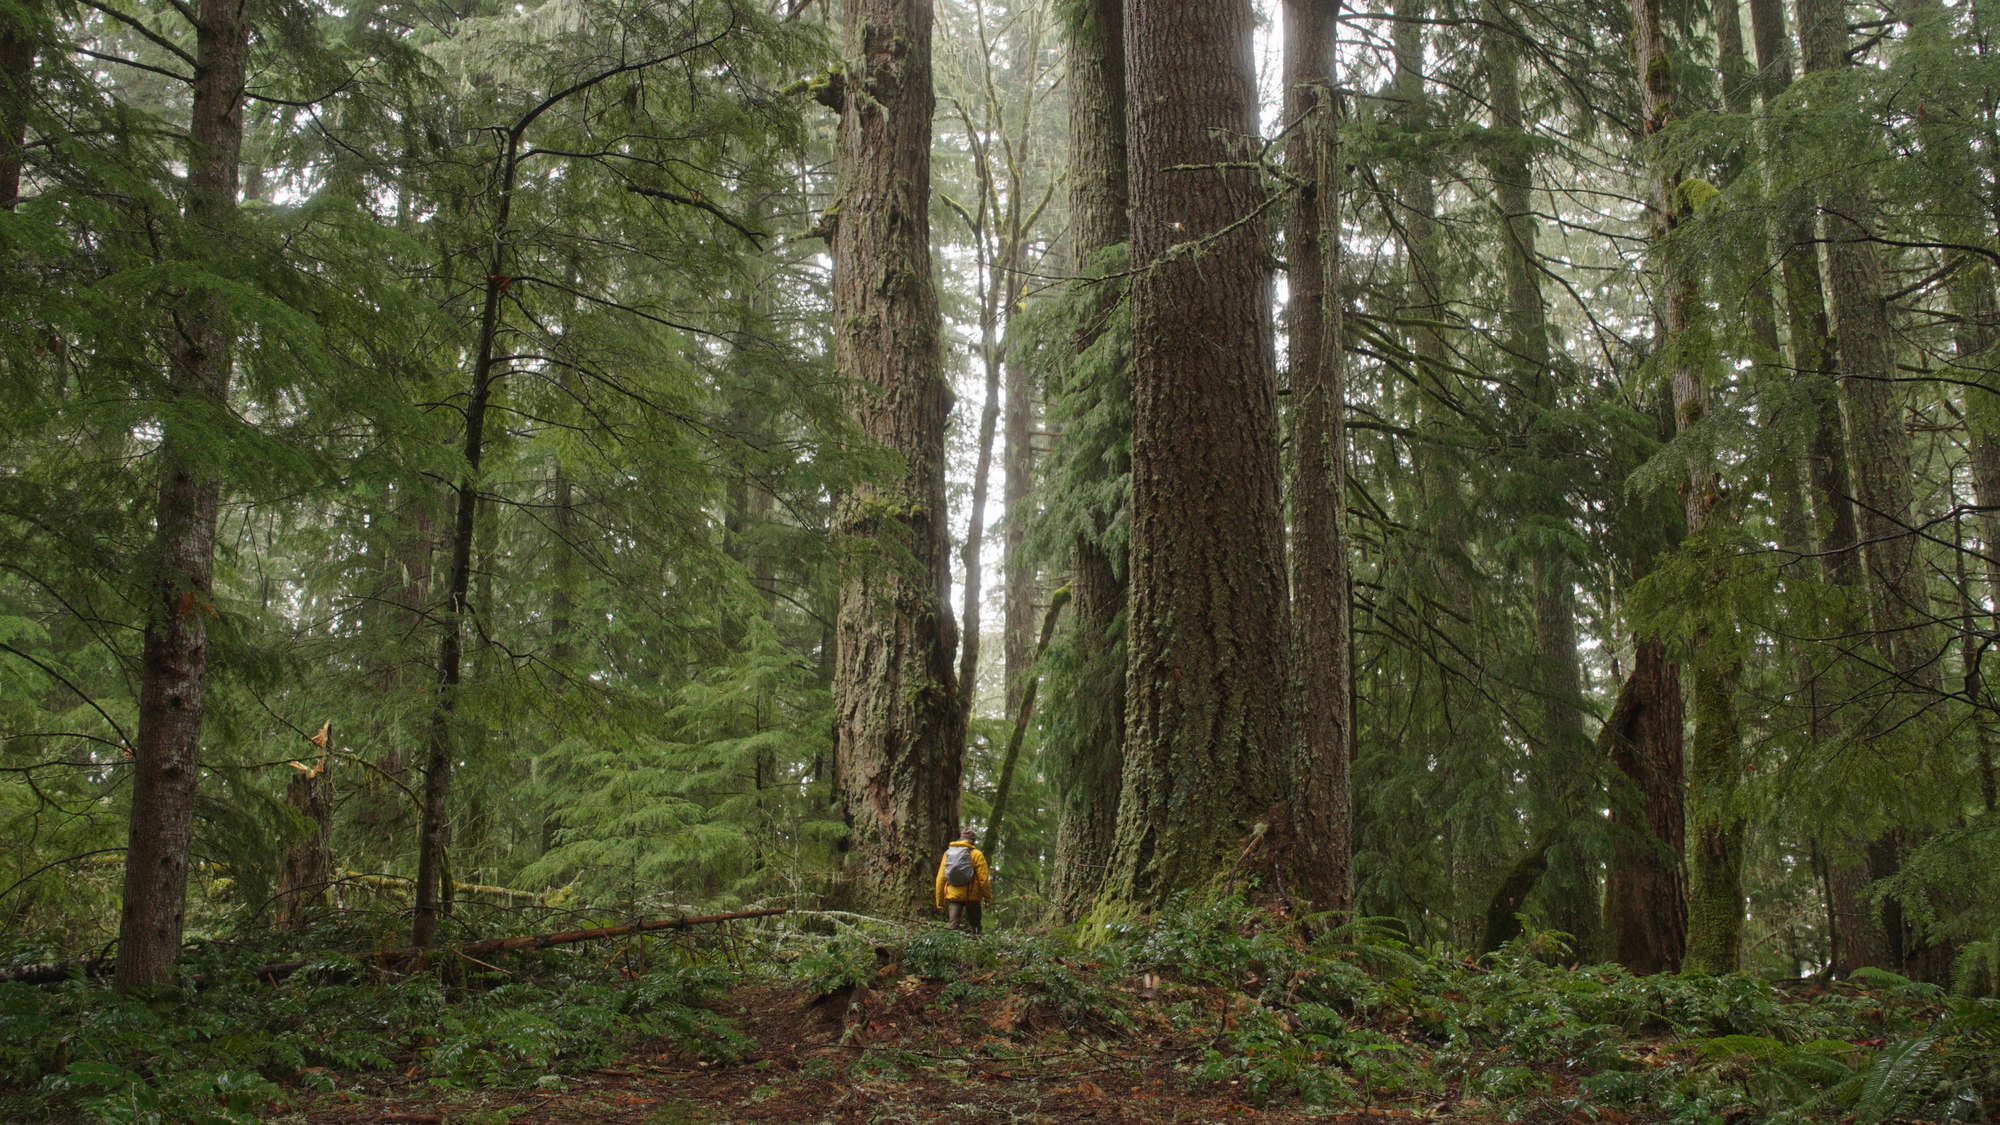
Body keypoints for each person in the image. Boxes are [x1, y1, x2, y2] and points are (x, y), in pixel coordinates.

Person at [934, 828, 991, 933]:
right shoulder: (976, 854)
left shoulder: (948, 854)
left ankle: (949, 947)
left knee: (952, 926)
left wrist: (939, 901)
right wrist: (987, 898)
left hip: (953, 896)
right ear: (973, 841)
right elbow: (983, 880)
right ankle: (978, 944)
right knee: (976, 926)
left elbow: (940, 879)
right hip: (971, 896)